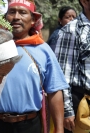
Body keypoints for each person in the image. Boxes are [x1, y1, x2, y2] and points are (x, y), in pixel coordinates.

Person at [0, 0, 70, 133]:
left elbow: (54, 91)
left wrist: (59, 130)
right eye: (12, 12)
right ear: (4, 18)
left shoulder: (43, 50)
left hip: (28, 125)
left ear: (33, 20)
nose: (16, 17)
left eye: (23, 12)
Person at [53, 0, 90, 133]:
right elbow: (63, 73)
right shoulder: (71, 30)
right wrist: (67, 111)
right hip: (81, 103)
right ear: (84, 2)